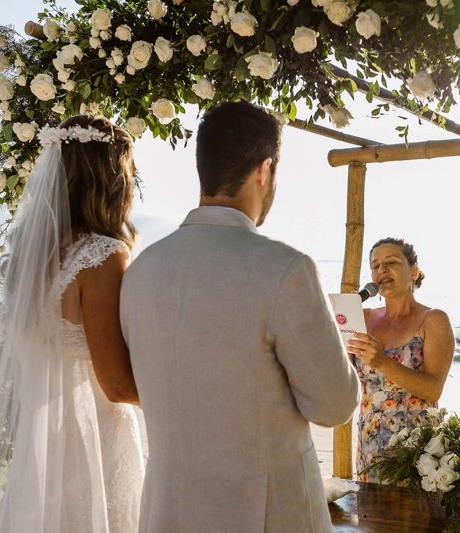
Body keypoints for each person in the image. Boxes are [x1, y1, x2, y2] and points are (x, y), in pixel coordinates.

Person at [120, 101, 359, 533]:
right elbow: (334, 405)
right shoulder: (285, 270)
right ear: (264, 171)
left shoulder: (140, 272)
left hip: (168, 512)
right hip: (267, 514)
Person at [0, 115, 144, 532]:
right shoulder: (102, 257)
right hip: (97, 442)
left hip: (42, 443)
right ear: (110, 178)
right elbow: (116, 384)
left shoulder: (28, 260)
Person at [348, 237, 455, 482]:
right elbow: (342, 378)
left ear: (414, 272)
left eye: (392, 262)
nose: (382, 270)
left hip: (418, 450)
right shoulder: (362, 318)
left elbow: (433, 389)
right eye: (375, 266)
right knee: (372, 518)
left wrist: (383, 362)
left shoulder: (433, 320)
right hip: (370, 443)